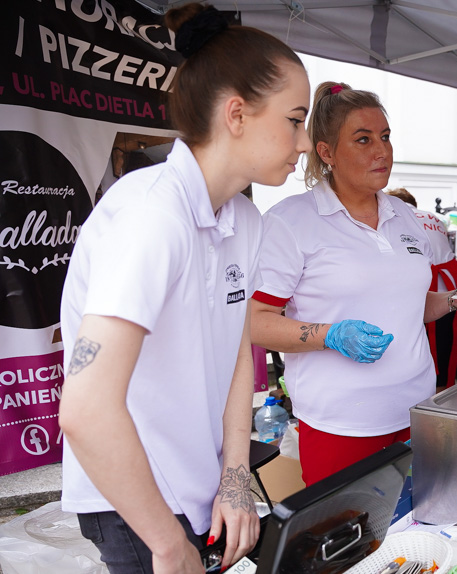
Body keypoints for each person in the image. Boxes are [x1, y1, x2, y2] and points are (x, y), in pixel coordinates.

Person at [58, 5, 309, 572]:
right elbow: (86, 406)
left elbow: (234, 353)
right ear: (237, 114)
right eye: (295, 120)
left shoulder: (245, 222)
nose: (302, 142)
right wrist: (167, 545)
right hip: (133, 503)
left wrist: (236, 474)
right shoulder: (151, 215)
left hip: (199, 488)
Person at [250, 82, 457, 486]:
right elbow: (256, 323)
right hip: (341, 423)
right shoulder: (291, 221)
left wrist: (453, 299)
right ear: (326, 152)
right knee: (351, 541)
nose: (381, 151)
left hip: (417, 410)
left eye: (385, 137)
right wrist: (330, 335)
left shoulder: (404, 215)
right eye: (363, 140)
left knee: (414, 537)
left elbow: (407, 304)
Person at [386, 188, 457, 389]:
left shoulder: (395, 216)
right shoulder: (434, 218)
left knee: (420, 347)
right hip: (450, 287)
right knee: (445, 344)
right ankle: (443, 389)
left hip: (424, 292)